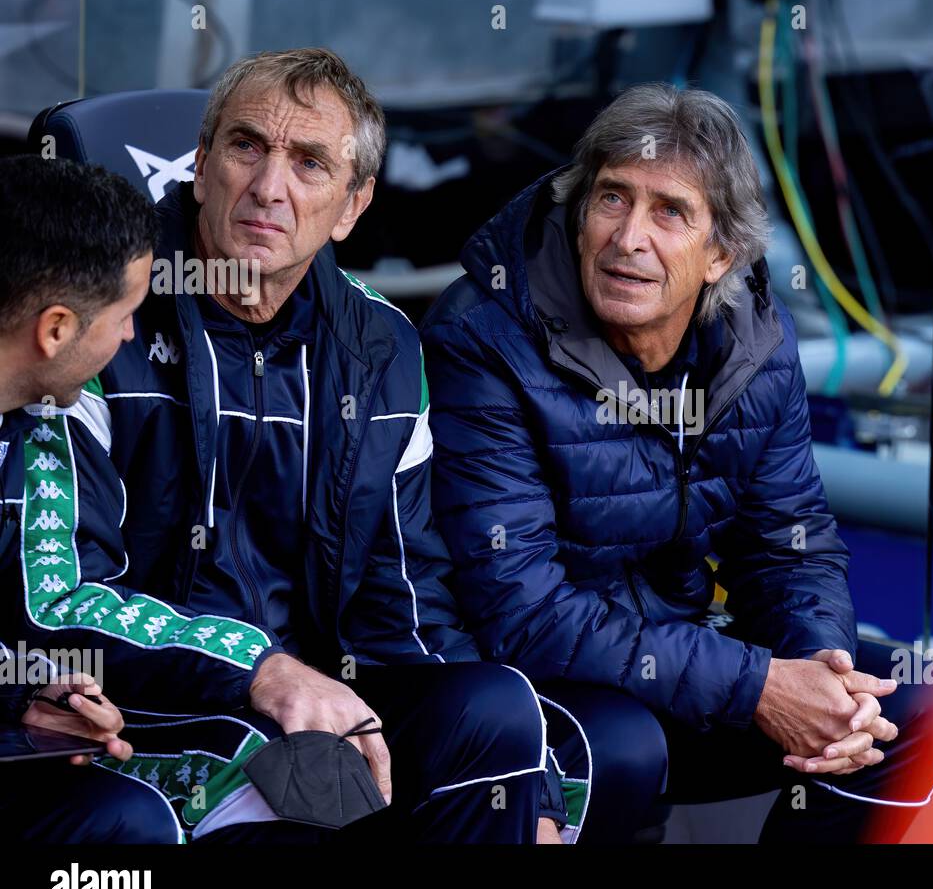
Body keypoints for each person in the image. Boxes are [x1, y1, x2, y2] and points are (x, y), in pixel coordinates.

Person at [22, 48, 577, 843]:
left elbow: (408, 603)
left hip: (322, 696)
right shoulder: (105, 316)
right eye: (247, 147)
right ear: (201, 166)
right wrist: (260, 669)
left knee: (494, 713)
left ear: (352, 207)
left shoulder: (382, 344)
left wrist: (526, 775)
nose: (270, 188)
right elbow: (58, 600)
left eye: (310, 163)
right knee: (293, 786)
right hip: (153, 701)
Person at [422, 83, 933, 843]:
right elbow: (520, 609)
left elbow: (788, 544)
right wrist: (756, 687)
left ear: (722, 254)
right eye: (612, 199)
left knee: (900, 708)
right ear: (579, 212)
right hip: (524, 683)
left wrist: (820, 667)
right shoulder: (483, 338)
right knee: (622, 746)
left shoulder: (753, 346)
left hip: (681, 657)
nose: (628, 238)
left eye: (669, 211)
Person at [0, 156, 181, 843]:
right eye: (126, 314)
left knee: (127, 821)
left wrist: (28, 700)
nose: (131, 336)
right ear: (55, 330)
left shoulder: (24, 426)